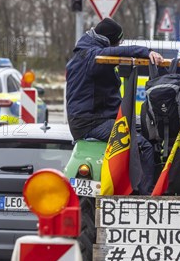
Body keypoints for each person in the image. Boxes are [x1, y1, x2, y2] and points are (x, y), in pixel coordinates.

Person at [65, 18, 164, 194]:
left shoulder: (84, 53)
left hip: (93, 118)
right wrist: (146, 52)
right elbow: (118, 52)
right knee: (144, 146)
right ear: (110, 40)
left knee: (150, 129)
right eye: (118, 41)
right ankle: (145, 197)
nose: (120, 44)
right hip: (91, 123)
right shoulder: (94, 57)